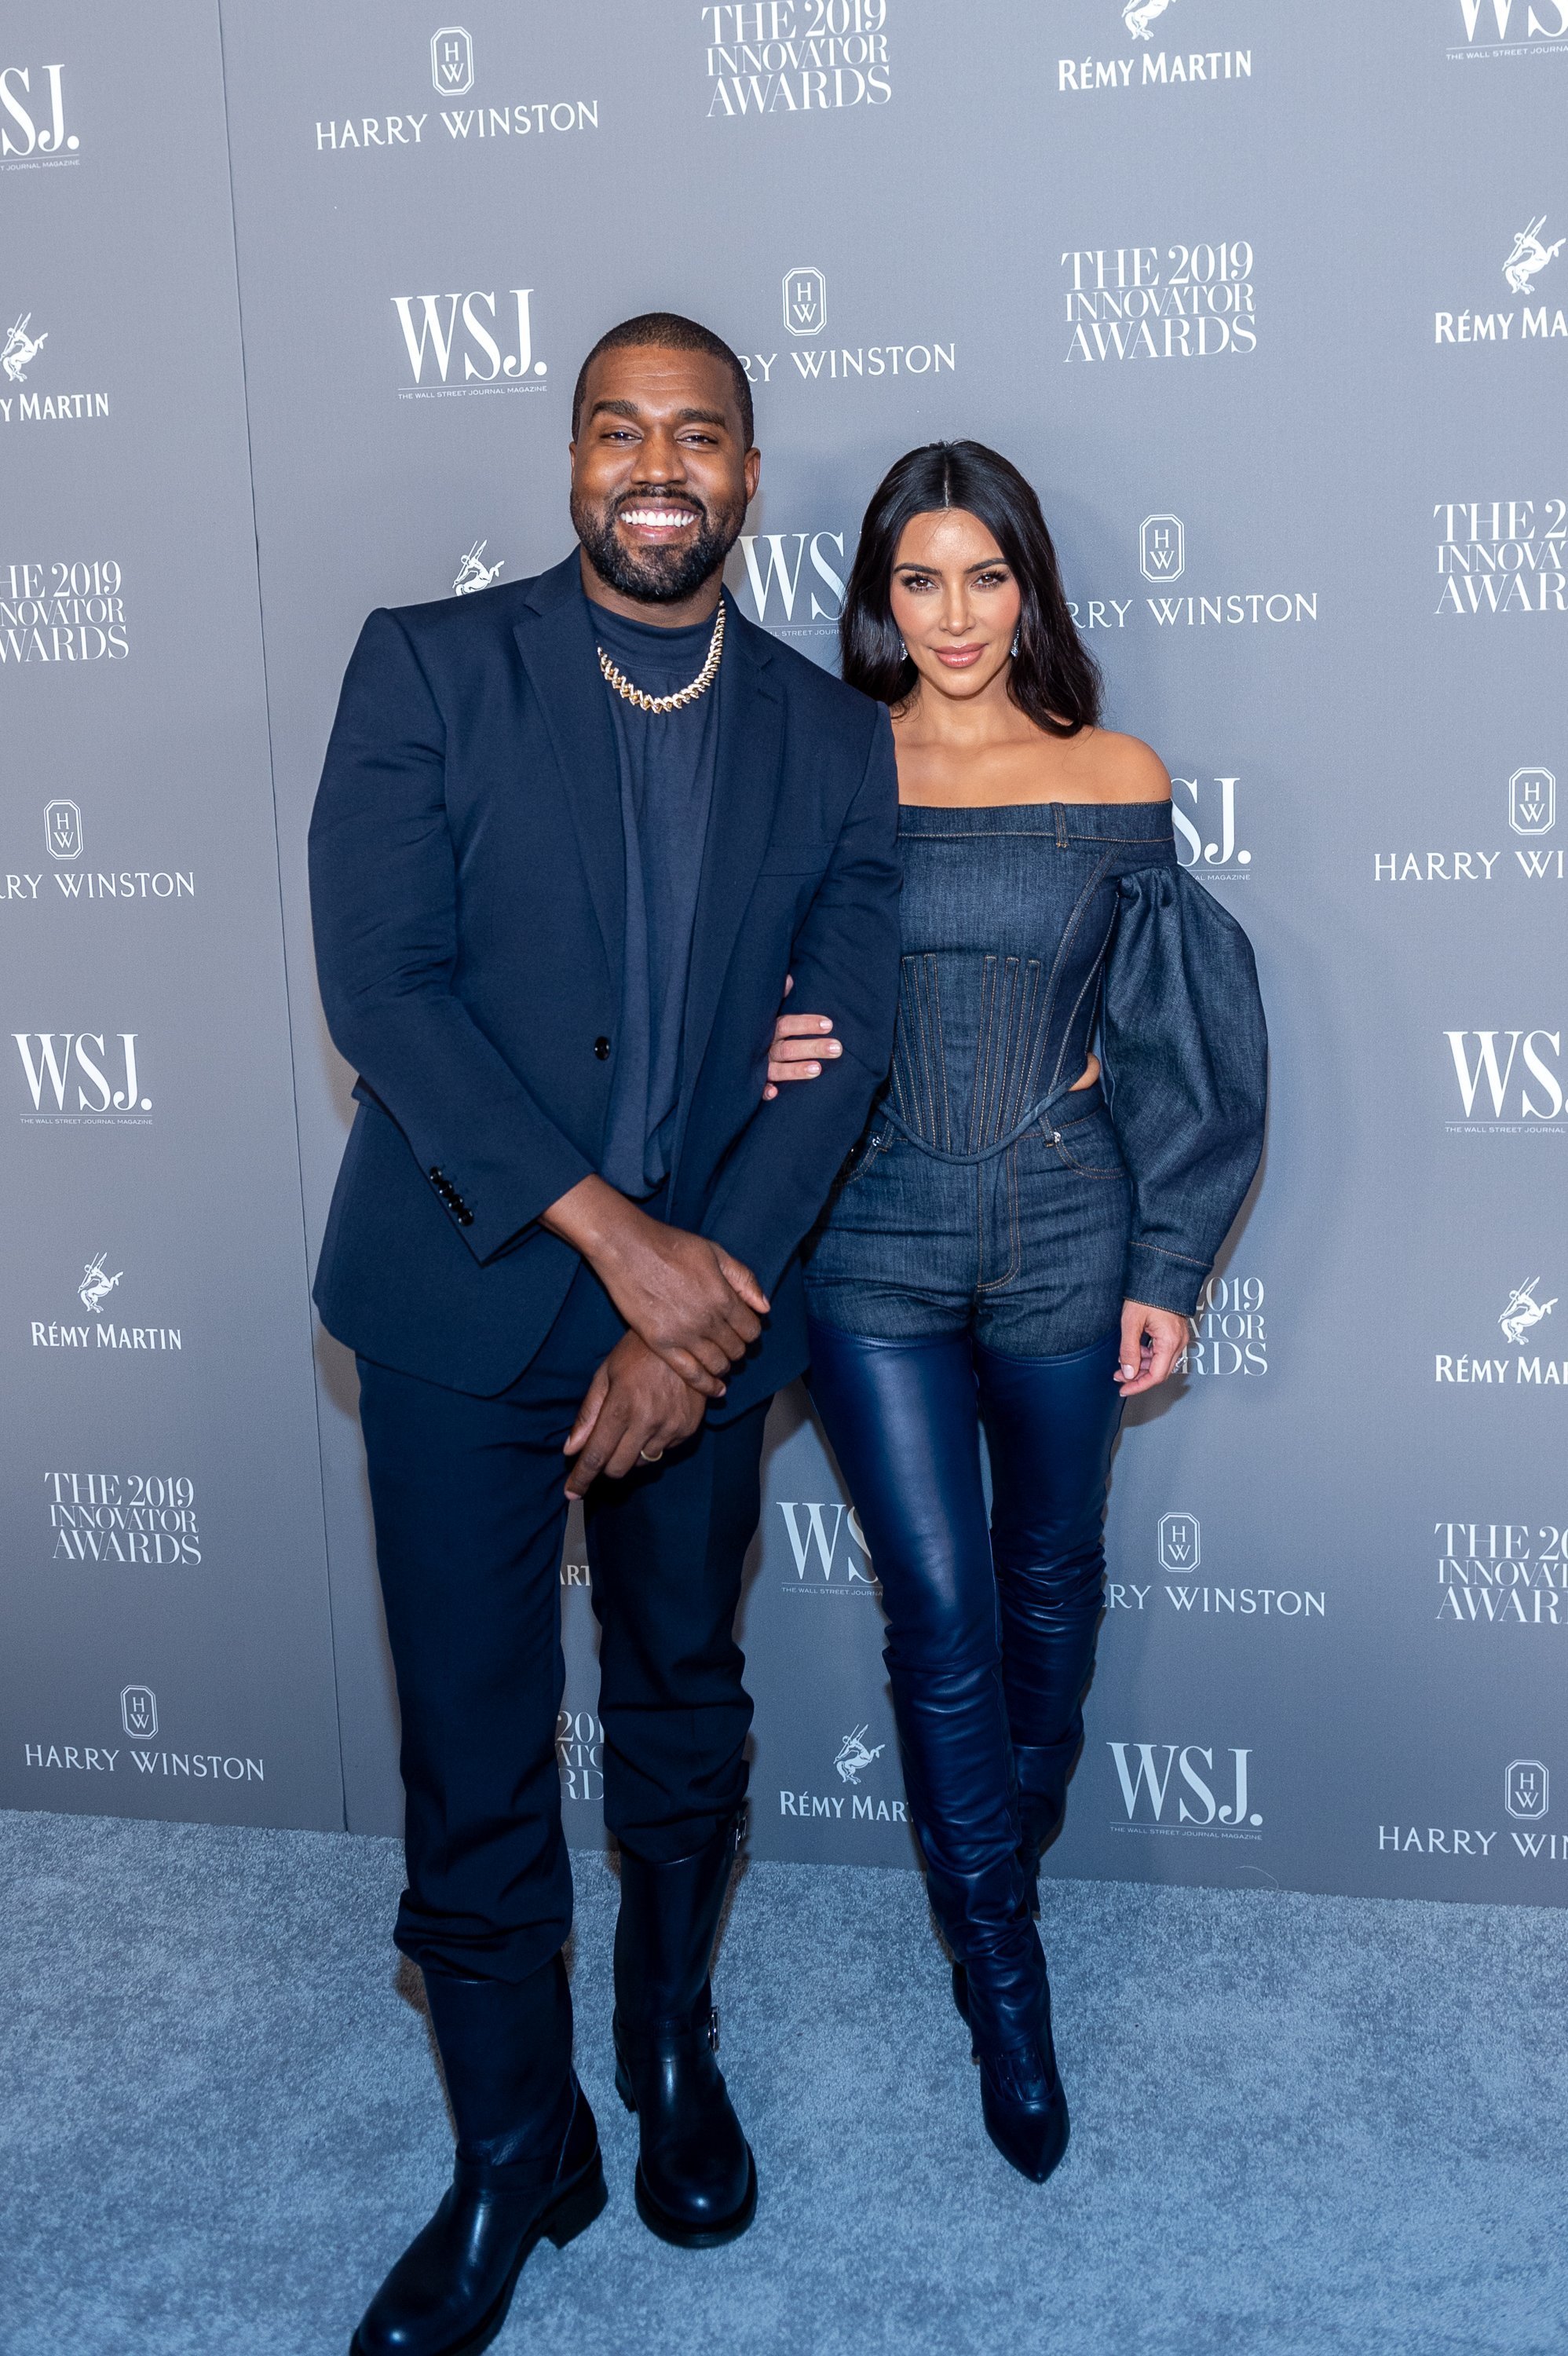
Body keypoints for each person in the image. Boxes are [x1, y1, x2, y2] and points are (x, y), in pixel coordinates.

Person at [309, 313, 901, 2356]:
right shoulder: (426, 671)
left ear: (746, 475)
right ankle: (509, 2154)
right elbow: (386, 990)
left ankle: (665, 2052)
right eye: (617, 428)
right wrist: (608, 1244)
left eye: (700, 435)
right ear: (573, 459)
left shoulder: (833, 740)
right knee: (471, 1744)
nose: (657, 464)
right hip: (462, 1300)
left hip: (711, 1316)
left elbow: (842, 1048)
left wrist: (694, 1299)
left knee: (675, 1696)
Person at [766, 441, 1266, 2186]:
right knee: (940, 1609)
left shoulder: (1116, 773)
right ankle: (1005, 1978)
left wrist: (1169, 1262)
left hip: (1068, 1218)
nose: (957, 615)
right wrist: (751, 1034)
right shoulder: (823, 765)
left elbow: (1182, 1034)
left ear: (1032, 589)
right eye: (921, 579)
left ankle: (1005, 1841)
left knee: (1053, 1585)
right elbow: (715, 959)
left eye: (987, 578)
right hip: (871, 1234)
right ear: (877, 599)